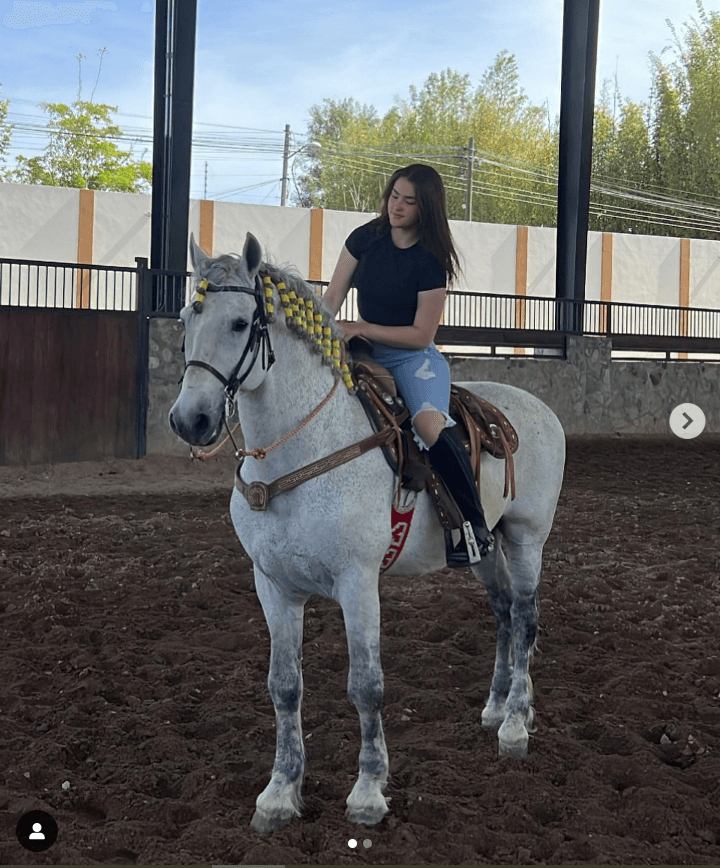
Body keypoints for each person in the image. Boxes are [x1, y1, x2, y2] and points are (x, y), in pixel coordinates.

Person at [323, 163, 493, 565]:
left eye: (408, 201)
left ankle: (474, 524)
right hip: (358, 350)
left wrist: (362, 325)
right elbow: (330, 301)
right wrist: (318, 331)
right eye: (393, 195)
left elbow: (421, 335)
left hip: (412, 359)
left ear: (426, 208)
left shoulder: (431, 260)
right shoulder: (363, 238)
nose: (396, 206)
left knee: (428, 425)